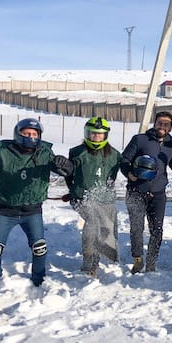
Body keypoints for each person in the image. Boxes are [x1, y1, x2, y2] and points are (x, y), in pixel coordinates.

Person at [0, 118, 73, 289]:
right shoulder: (3, 150)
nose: (31, 136)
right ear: (18, 133)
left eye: (34, 134)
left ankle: (38, 277)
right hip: (6, 210)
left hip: (32, 210)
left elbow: (66, 171)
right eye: (27, 133)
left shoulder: (45, 152)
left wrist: (65, 164)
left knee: (39, 247)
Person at [120, 110, 172, 274]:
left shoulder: (170, 144)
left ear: (170, 127)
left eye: (166, 124)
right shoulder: (140, 140)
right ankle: (137, 260)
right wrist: (129, 173)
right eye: (160, 123)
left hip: (158, 193)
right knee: (136, 228)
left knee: (157, 229)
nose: (162, 126)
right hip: (136, 190)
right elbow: (124, 160)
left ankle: (152, 262)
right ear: (155, 123)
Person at [65, 116, 122, 277]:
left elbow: (113, 176)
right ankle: (89, 260)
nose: (96, 137)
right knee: (93, 221)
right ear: (86, 134)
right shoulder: (77, 152)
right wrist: (74, 190)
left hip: (104, 198)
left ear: (105, 136)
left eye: (99, 134)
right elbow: (69, 175)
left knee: (109, 224)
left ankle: (109, 254)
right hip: (81, 198)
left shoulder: (114, 155)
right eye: (92, 134)